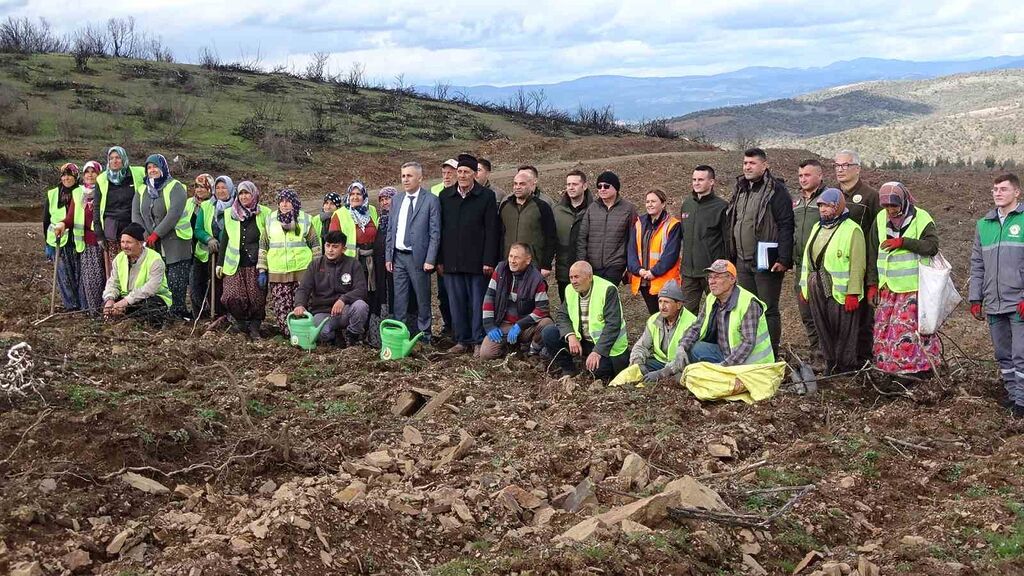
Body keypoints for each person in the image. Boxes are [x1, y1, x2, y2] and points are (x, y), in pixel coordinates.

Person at [726, 147, 794, 356]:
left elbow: (786, 224)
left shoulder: (776, 190)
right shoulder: (740, 189)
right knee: (748, 309)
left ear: (764, 165)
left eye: (752, 163)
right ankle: (752, 351)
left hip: (767, 261)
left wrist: (783, 258)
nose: (747, 167)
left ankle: (770, 352)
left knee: (768, 309)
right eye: (745, 163)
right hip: (742, 261)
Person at [870, 181, 941, 376]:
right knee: (883, 332)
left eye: (894, 205)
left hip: (912, 288)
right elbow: (872, 253)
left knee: (907, 334)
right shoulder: (879, 219)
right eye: (886, 206)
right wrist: (872, 284)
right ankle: (888, 371)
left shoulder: (922, 218)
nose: (890, 210)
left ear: (904, 201)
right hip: (888, 288)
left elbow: (932, 246)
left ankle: (915, 372)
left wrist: (904, 242)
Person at [969, 174, 1024, 417]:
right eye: (994, 189)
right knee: (1003, 354)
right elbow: (977, 264)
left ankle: (1022, 401)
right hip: (994, 303)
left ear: (1017, 193)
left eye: (1003, 189)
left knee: (1021, 353)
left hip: (1018, 302)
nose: (997, 193)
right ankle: (1013, 396)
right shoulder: (984, 225)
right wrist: (975, 297)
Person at [797, 188, 866, 374]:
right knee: (823, 327)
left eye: (827, 206)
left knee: (844, 331)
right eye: (820, 206)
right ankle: (830, 365)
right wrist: (805, 287)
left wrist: (853, 292)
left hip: (840, 290)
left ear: (837, 206)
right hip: (816, 286)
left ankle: (846, 368)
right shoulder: (817, 227)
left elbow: (858, 264)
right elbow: (806, 259)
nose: (823, 209)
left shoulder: (852, 229)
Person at [438, 154, 500, 354]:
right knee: (456, 302)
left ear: (474, 174)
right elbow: (440, 230)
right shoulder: (446, 197)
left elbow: (492, 230)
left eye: (467, 172)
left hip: (477, 261)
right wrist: (440, 259)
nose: (462, 175)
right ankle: (461, 340)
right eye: (460, 172)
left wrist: (488, 260)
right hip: (452, 260)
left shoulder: (486, 197)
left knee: (477, 303)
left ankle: (477, 340)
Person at [676, 259, 775, 366]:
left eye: (717, 277)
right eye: (710, 277)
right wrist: (682, 347)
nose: (711, 281)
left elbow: (748, 343)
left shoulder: (748, 303)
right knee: (693, 348)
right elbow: (697, 327)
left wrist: (723, 366)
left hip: (752, 364)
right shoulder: (711, 298)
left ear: (732, 279)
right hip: (725, 353)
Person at [542, 261, 629, 380]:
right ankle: (569, 369)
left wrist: (597, 352)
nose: (573, 281)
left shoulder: (607, 289)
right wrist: (570, 335)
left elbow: (613, 325)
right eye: (571, 277)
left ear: (589, 277)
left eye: (577, 277)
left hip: (607, 346)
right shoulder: (570, 290)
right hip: (582, 340)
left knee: (599, 372)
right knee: (549, 332)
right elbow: (562, 316)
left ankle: (596, 363)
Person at [834, 149, 881, 364]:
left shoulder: (871, 197)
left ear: (857, 168)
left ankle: (863, 360)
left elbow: (876, 236)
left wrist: (872, 275)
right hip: (835, 269)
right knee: (837, 316)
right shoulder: (831, 195)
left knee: (863, 319)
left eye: (846, 165)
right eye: (837, 165)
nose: (841, 170)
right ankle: (841, 358)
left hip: (860, 267)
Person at [133, 154, 193, 320]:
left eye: (155, 167)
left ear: (163, 168)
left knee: (176, 281)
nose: (152, 170)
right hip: (152, 243)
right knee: (158, 280)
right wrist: (145, 236)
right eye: (149, 168)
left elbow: (173, 214)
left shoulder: (176, 187)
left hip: (175, 243)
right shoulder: (142, 189)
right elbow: (136, 214)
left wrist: (156, 234)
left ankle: (178, 314)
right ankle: (163, 313)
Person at [386, 162, 441, 342]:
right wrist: (389, 255)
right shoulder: (397, 200)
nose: (405, 179)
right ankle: (400, 334)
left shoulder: (431, 200)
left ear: (420, 178)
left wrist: (430, 259)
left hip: (419, 258)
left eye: (409, 176)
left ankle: (425, 334)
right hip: (399, 257)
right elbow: (391, 230)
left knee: (422, 298)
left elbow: (435, 233)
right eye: (403, 176)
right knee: (399, 298)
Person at [293, 230, 370, 346]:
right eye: (328, 245)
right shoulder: (315, 265)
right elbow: (303, 288)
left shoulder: (353, 264)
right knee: (323, 334)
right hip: (322, 312)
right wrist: (299, 304)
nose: (330, 250)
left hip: (345, 311)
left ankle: (353, 336)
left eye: (335, 247)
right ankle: (336, 336)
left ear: (343, 248)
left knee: (361, 306)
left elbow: (361, 290)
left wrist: (343, 300)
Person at [479, 243, 553, 360]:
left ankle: (532, 351)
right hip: (504, 324)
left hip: (525, 326)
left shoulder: (536, 278)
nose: (512, 261)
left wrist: (520, 325)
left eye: (517, 257)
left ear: (528, 260)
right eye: (510, 256)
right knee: (486, 354)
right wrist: (490, 326)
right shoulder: (500, 270)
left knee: (547, 324)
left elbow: (542, 308)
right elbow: (489, 298)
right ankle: (510, 348)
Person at [263, 188, 320, 335]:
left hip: (302, 271)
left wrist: (318, 268)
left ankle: (303, 333)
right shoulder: (270, 219)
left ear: (294, 202)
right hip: (278, 272)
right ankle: (288, 335)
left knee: (301, 305)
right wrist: (262, 268)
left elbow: (315, 245)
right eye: (281, 201)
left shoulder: (305, 219)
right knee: (281, 307)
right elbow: (263, 245)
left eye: (288, 201)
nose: (284, 204)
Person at [217, 181, 270, 339]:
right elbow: (225, 239)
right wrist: (220, 263)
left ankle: (254, 327)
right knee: (231, 296)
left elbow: (269, 239)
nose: (244, 196)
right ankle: (240, 322)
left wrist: (266, 267)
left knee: (256, 298)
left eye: (247, 193)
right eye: (241, 193)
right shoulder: (230, 214)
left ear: (254, 194)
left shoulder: (264, 213)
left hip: (256, 264)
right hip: (235, 264)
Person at [54, 161, 105, 314]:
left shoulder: (104, 190)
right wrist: (62, 224)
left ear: (99, 174)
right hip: (85, 244)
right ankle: (91, 310)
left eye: (93, 172)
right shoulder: (79, 193)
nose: (90, 175)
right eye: (87, 172)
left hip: (101, 241)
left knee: (101, 278)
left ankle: (100, 310)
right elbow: (71, 217)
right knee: (88, 280)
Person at [678, 165, 729, 314]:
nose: (696, 183)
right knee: (686, 315)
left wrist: (725, 269)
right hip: (689, 273)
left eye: (701, 179)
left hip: (712, 273)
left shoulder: (721, 207)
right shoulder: (687, 205)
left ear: (711, 182)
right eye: (694, 179)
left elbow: (727, 241)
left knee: (717, 313)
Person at [628, 281, 698, 383]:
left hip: (681, 365)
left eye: (666, 302)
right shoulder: (653, 320)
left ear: (678, 305)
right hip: (660, 362)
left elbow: (686, 357)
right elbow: (641, 346)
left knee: (685, 376)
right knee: (635, 367)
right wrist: (638, 363)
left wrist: (661, 373)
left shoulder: (691, 322)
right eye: (660, 301)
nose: (662, 306)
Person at [102, 222, 171, 325]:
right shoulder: (119, 258)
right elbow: (113, 282)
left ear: (139, 243)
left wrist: (126, 301)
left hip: (151, 298)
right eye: (122, 242)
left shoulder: (155, 259)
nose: (125, 246)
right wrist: (110, 298)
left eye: (129, 242)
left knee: (149, 309)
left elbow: (151, 288)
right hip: (128, 299)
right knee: (107, 306)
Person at [330, 181, 381, 323]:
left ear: (364, 196)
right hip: (350, 262)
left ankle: (370, 329)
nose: (355, 197)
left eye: (358, 194)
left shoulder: (371, 210)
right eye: (352, 194)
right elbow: (333, 241)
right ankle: (352, 327)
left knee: (371, 293)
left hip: (371, 260)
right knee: (353, 293)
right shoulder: (339, 214)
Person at [576, 171, 637, 284]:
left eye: (606, 186)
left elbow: (633, 240)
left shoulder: (628, 209)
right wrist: (582, 263)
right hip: (592, 265)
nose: (602, 189)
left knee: (606, 295)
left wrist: (630, 266)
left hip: (615, 265)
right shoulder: (592, 208)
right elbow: (582, 237)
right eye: (599, 186)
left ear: (616, 188)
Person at [792, 160, 827, 354]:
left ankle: (828, 352)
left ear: (820, 176)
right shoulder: (796, 202)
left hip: (821, 268)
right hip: (801, 267)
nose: (803, 179)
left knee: (822, 313)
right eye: (800, 176)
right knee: (806, 313)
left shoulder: (827, 199)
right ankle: (816, 352)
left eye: (807, 175)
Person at [627, 188, 681, 314]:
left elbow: (671, 254)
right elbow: (631, 251)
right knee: (655, 315)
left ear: (663, 204)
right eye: (647, 201)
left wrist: (653, 272)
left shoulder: (673, 225)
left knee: (668, 316)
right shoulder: (638, 223)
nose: (649, 204)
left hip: (664, 282)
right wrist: (639, 270)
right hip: (644, 280)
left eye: (653, 201)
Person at [498, 166, 557, 275]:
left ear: (531, 185)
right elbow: (499, 235)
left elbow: (551, 237)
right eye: (515, 184)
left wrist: (546, 264)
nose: (517, 187)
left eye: (522, 184)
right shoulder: (505, 206)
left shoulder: (542, 207)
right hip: (508, 263)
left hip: (533, 265)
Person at [95, 146, 145, 269]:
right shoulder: (102, 179)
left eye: (118, 158)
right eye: (111, 158)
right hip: (112, 229)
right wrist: (99, 233)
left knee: (136, 264)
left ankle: (134, 289)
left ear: (124, 159)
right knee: (116, 265)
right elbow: (96, 206)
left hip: (132, 226)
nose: (114, 161)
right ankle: (117, 288)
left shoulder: (137, 173)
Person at [43, 162, 82, 311]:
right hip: (57, 240)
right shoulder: (53, 194)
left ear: (76, 176)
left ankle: (80, 303)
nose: (66, 178)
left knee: (77, 274)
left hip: (76, 239)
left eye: (70, 175)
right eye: (64, 175)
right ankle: (70, 306)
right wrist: (47, 243)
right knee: (63, 275)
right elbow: (46, 220)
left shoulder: (81, 192)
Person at [553, 169, 591, 301]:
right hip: (564, 272)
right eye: (568, 184)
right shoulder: (557, 211)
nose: (570, 187)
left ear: (584, 186)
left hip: (587, 270)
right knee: (567, 307)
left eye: (574, 184)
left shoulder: (594, 210)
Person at [431, 158, 458, 335]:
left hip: (458, 251)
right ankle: (448, 325)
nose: (446, 176)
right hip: (441, 251)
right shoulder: (435, 192)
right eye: (444, 173)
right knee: (443, 294)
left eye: (450, 173)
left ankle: (460, 327)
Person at [189, 174, 216, 317]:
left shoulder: (215, 205)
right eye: (196, 186)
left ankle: (213, 313)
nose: (198, 190)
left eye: (202, 186)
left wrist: (209, 239)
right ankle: (198, 315)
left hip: (211, 250)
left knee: (211, 286)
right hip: (193, 250)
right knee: (195, 286)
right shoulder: (190, 204)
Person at [374, 186, 397, 315]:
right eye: (382, 199)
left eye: (387, 198)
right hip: (380, 261)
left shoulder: (399, 217)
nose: (384, 202)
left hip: (395, 261)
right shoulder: (380, 218)